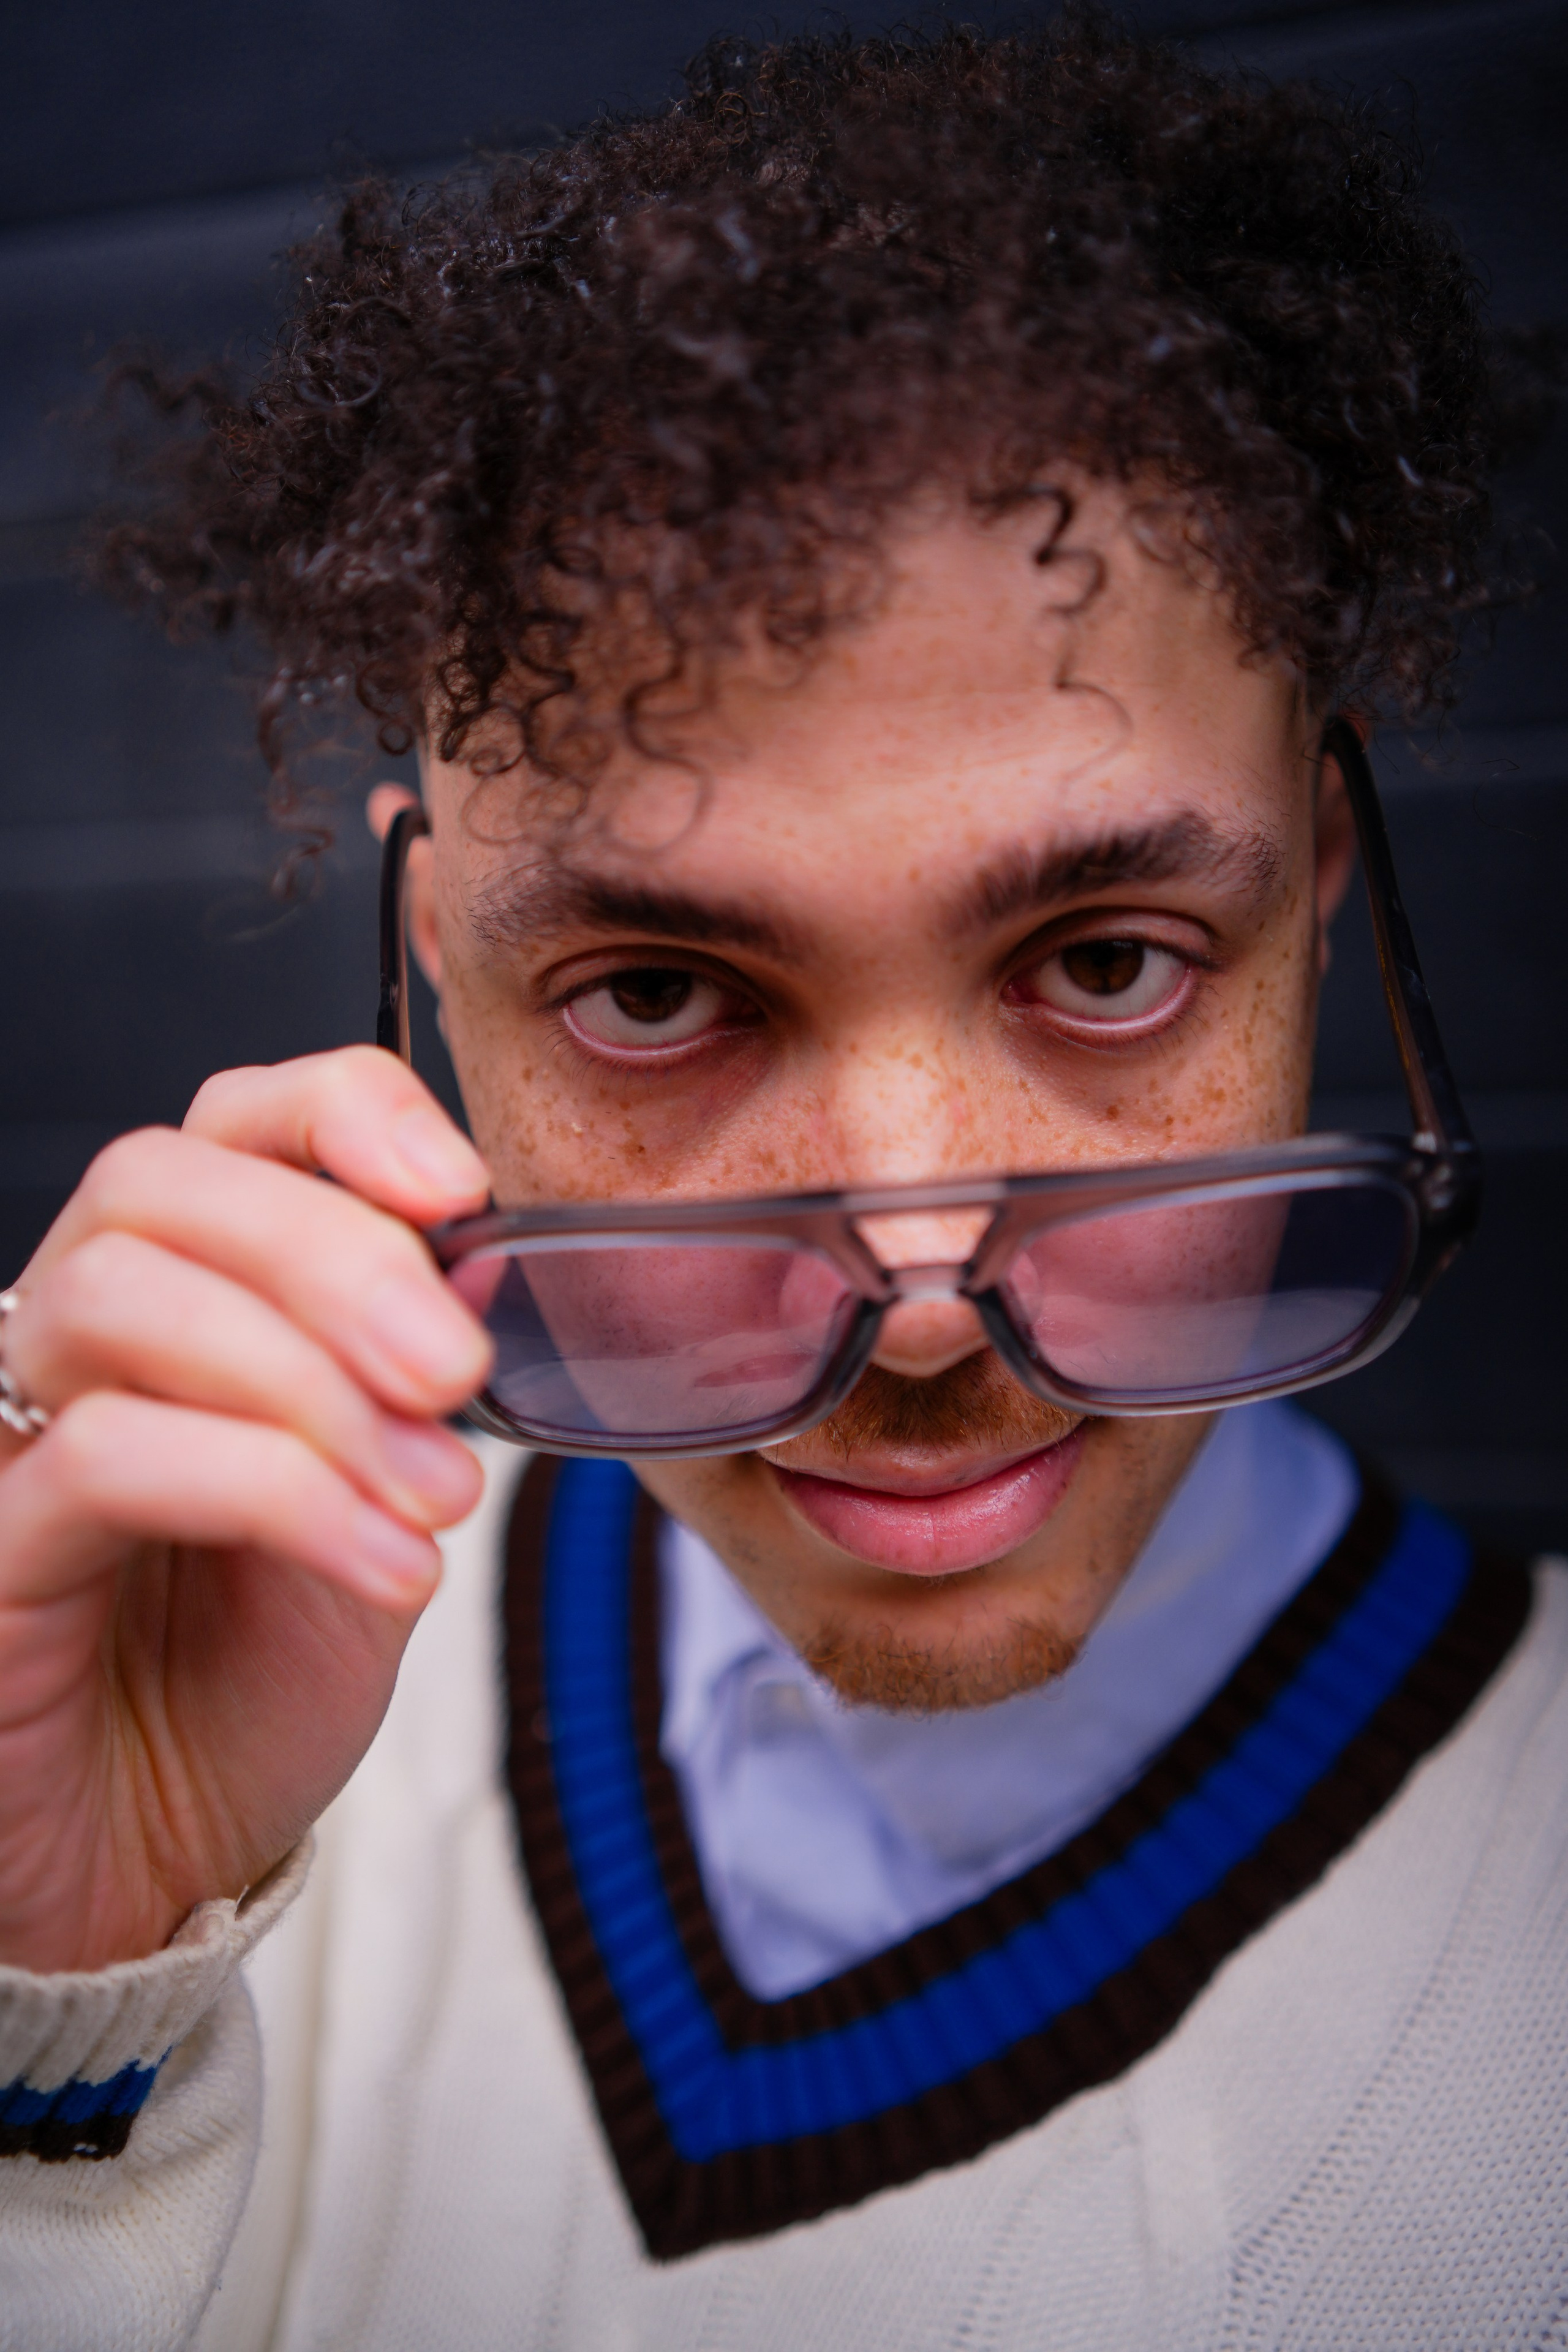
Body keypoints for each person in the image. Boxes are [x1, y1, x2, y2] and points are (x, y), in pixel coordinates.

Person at [2, 15, 1563, 2349]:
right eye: (655, 996)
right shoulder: (177, 1723)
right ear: (438, 978)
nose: (925, 1297)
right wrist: (49, 2018)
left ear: (1322, 897)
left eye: (1112, 960)